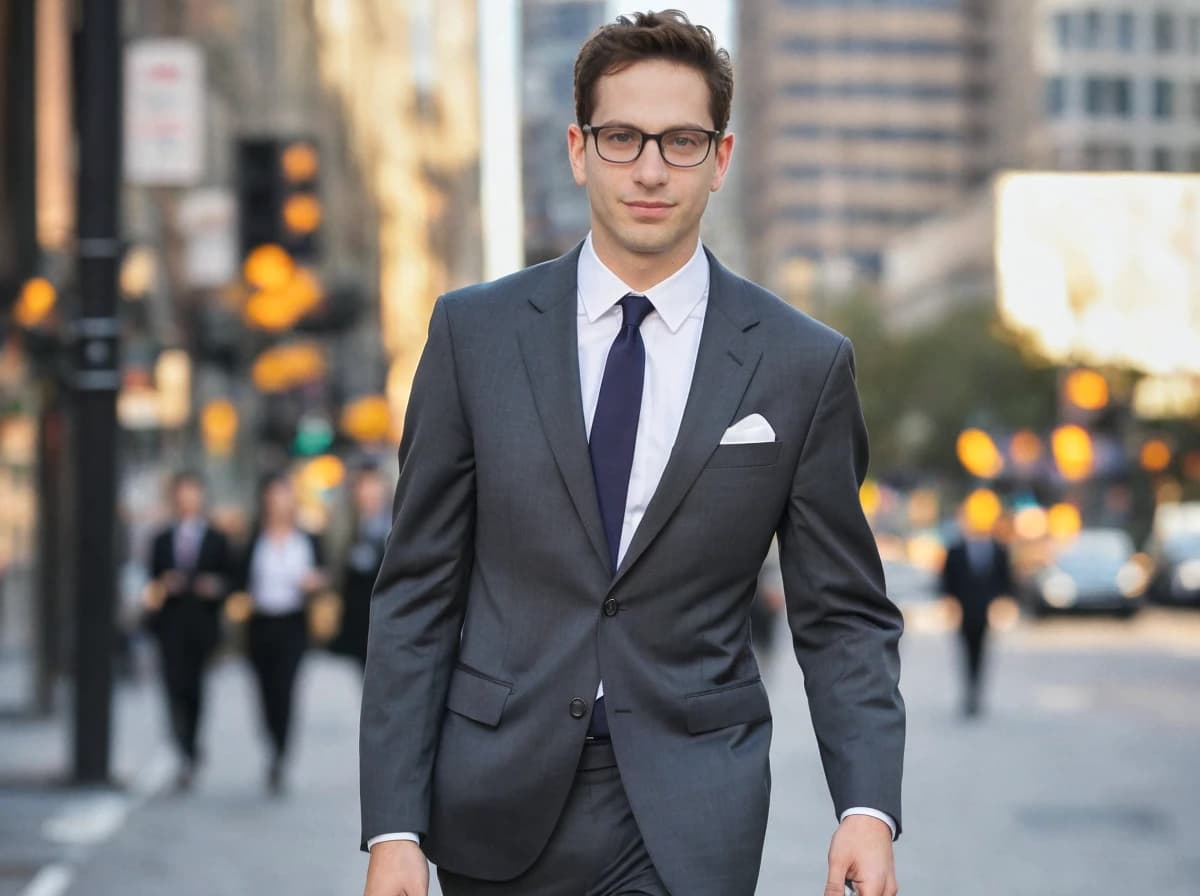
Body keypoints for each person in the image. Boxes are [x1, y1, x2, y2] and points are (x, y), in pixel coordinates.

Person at [361, 11, 905, 896]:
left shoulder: (803, 364)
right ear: (579, 149)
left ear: (721, 159)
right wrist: (392, 825)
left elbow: (842, 613)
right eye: (622, 138)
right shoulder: (474, 335)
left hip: (690, 811)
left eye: (681, 141)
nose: (650, 168)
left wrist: (867, 809)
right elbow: (417, 591)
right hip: (494, 799)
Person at [145, 471, 234, 791]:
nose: (186, 498)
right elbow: (150, 582)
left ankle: (192, 748)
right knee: (172, 687)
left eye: (192, 492)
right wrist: (164, 585)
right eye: (181, 492)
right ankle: (182, 745)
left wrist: (215, 587)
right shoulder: (160, 539)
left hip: (201, 626)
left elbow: (231, 579)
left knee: (194, 690)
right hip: (169, 626)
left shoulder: (216, 538)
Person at [238, 473, 327, 794]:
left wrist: (315, 582)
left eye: (284, 495)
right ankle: (271, 741)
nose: (278, 503)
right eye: (273, 496)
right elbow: (239, 579)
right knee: (264, 691)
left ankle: (280, 753)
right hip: (260, 624)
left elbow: (324, 574)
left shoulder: (307, 539)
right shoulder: (254, 539)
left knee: (285, 689)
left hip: (293, 624)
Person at [940, 507, 1013, 718]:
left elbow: (1005, 581)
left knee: (981, 653)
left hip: (986, 612)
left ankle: (977, 694)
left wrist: (1004, 605)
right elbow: (947, 582)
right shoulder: (956, 551)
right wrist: (950, 606)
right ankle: (968, 693)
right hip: (963, 612)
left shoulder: (999, 550)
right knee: (965, 653)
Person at [331, 463, 392, 669]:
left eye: (374, 484)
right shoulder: (346, 524)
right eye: (363, 486)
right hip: (358, 621)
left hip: (389, 619)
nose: (369, 492)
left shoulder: (395, 523)